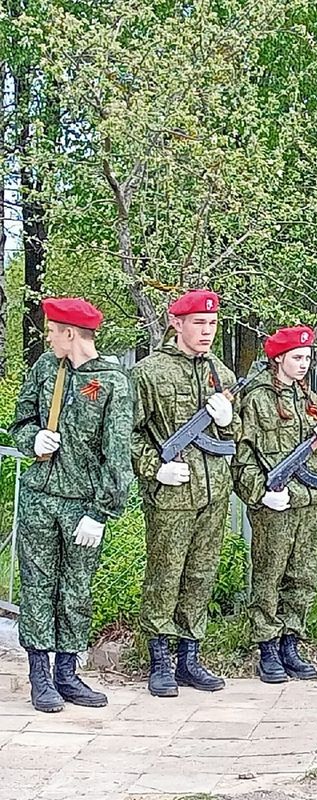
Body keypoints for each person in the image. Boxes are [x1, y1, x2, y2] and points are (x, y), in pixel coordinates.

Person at [11, 298, 133, 712]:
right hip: (41, 498)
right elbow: (20, 421)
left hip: (83, 504)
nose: (47, 337)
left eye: (51, 330)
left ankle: (67, 671)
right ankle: (40, 676)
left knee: (76, 590)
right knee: (37, 586)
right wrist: (32, 440)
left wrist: (101, 513)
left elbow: (117, 454)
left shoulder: (113, 381)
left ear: (70, 333)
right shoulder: (47, 368)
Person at [132, 289, 239, 697]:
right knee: (166, 575)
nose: (207, 331)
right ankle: (160, 661)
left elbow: (237, 435)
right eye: (199, 323)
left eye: (212, 324)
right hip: (172, 493)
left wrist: (228, 421)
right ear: (177, 323)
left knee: (201, 574)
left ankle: (190, 657)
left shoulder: (223, 375)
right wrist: (155, 467)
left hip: (214, 490)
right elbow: (130, 433)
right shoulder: (149, 372)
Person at [233, 326, 317, 682]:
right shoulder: (257, 399)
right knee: (269, 574)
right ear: (278, 359)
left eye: (308, 358)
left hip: (310, 502)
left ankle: (292, 641)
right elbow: (242, 455)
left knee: (304, 575)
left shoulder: (311, 399)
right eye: (297, 357)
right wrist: (258, 492)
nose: (304, 364)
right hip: (275, 503)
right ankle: (267, 647)